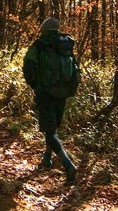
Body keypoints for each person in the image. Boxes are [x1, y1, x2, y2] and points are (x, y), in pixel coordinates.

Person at [23, 17, 79, 183]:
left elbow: (28, 64)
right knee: (52, 129)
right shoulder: (65, 44)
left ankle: (68, 165)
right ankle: (47, 158)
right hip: (63, 91)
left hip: (46, 91)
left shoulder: (40, 44)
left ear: (43, 29)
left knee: (49, 132)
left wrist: (34, 83)